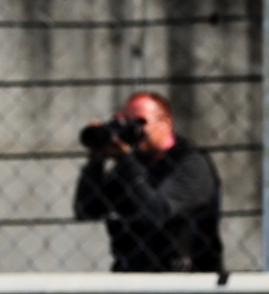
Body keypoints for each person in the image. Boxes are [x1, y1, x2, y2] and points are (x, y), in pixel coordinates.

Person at [74, 91, 224, 274]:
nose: (134, 130)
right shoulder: (132, 164)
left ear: (165, 123)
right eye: (128, 122)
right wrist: (96, 159)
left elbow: (154, 213)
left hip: (186, 280)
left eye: (140, 122)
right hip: (131, 277)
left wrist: (126, 160)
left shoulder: (191, 164)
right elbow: (87, 209)